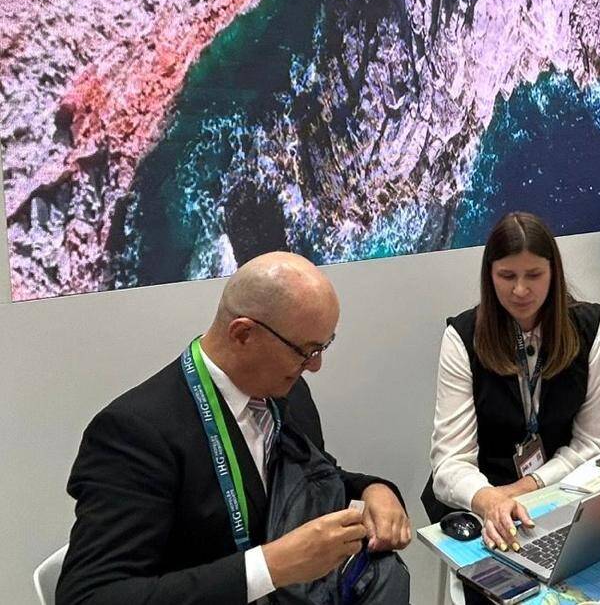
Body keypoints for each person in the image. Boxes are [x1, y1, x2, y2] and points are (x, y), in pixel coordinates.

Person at [58, 252, 412, 605]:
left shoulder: (288, 391)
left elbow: (311, 477)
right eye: (305, 351)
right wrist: (270, 567)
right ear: (243, 334)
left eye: (323, 346)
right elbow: (89, 596)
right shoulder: (135, 434)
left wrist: (372, 489)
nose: (316, 366)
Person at [423, 211, 600, 554]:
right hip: (482, 502)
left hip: (560, 493)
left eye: (534, 275)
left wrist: (528, 486)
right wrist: (489, 499)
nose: (520, 290)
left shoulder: (589, 327)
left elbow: (594, 444)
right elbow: (449, 463)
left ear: (553, 273)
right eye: (507, 276)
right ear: (489, 275)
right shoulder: (462, 337)